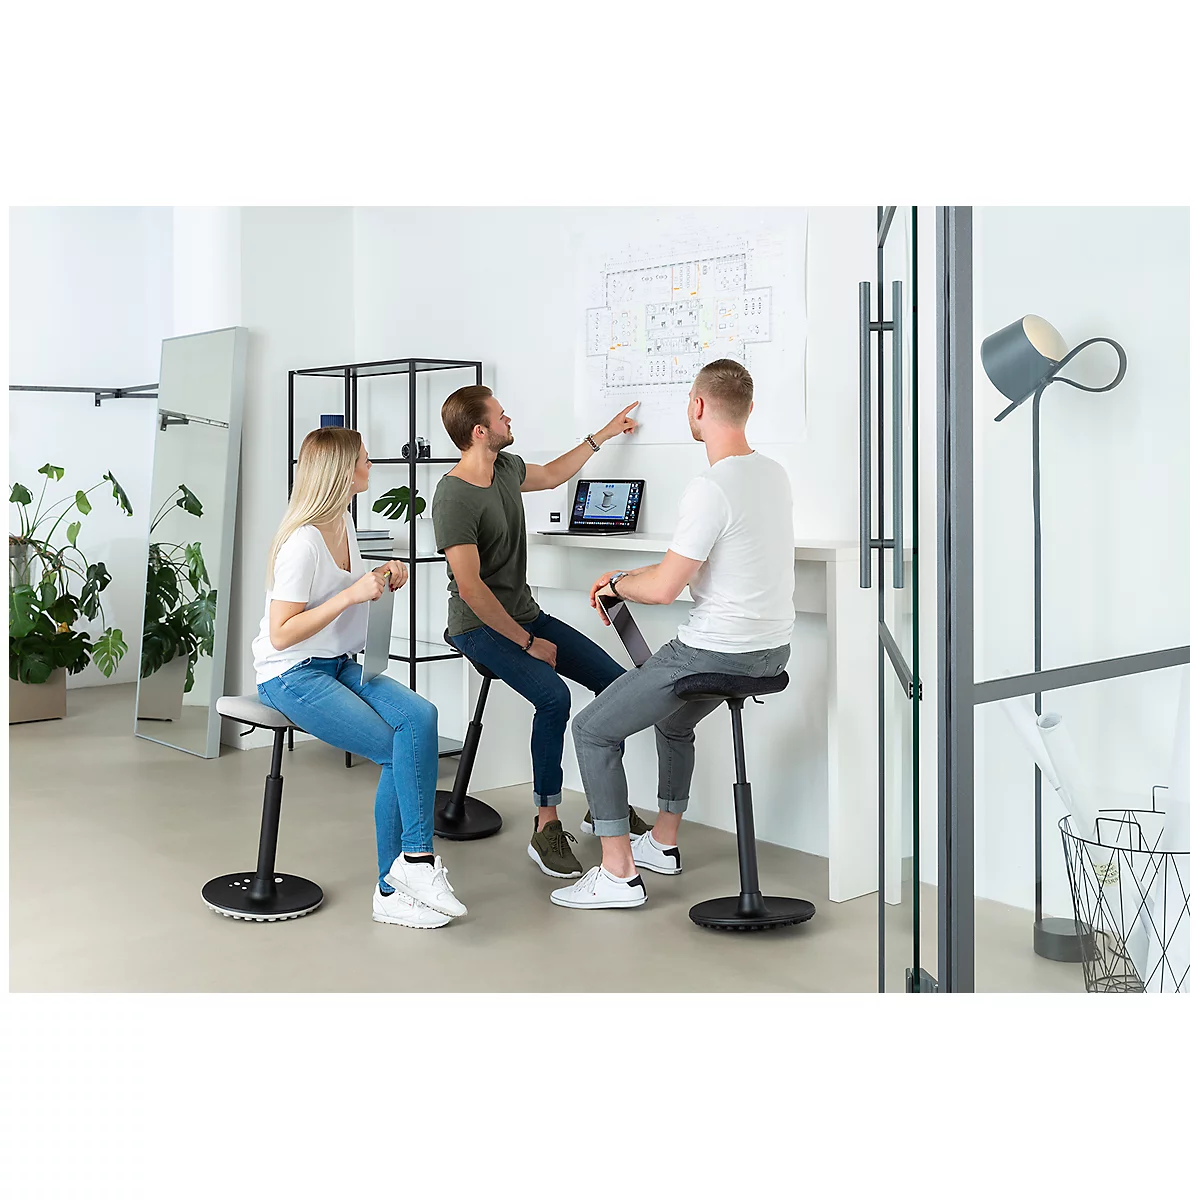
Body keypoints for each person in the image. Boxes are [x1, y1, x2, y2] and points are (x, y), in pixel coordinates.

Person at [551, 360, 794, 910]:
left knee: (590, 729)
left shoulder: (710, 487)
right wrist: (628, 582)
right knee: (672, 720)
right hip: (769, 652)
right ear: (749, 408)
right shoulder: (773, 474)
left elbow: (663, 589)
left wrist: (616, 581)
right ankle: (662, 843)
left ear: (698, 407)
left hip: (714, 651)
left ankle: (617, 875)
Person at [252, 426, 467, 930]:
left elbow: (350, 587)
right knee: (398, 749)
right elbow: (282, 635)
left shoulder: (344, 522)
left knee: (421, 717)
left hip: (339, 662)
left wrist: (385, 577)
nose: (372, 467)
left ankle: (402, 879)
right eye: (365, 461)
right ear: (341, 472)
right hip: (291, 675)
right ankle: (406, 873)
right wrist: (352, 595)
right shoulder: (301, 544)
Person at [432, 384, 650, 879]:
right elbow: (470, 589)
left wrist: (604, 435)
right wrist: (528, 643)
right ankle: (545, 825)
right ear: (480, 431)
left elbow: (552, 475)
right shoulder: (453, 496)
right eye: (501, 415)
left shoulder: (506, 469)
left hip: (525, 615)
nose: (510, 418)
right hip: (477, 627)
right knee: (553, 698)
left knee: (619, 686)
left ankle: (605, 806)